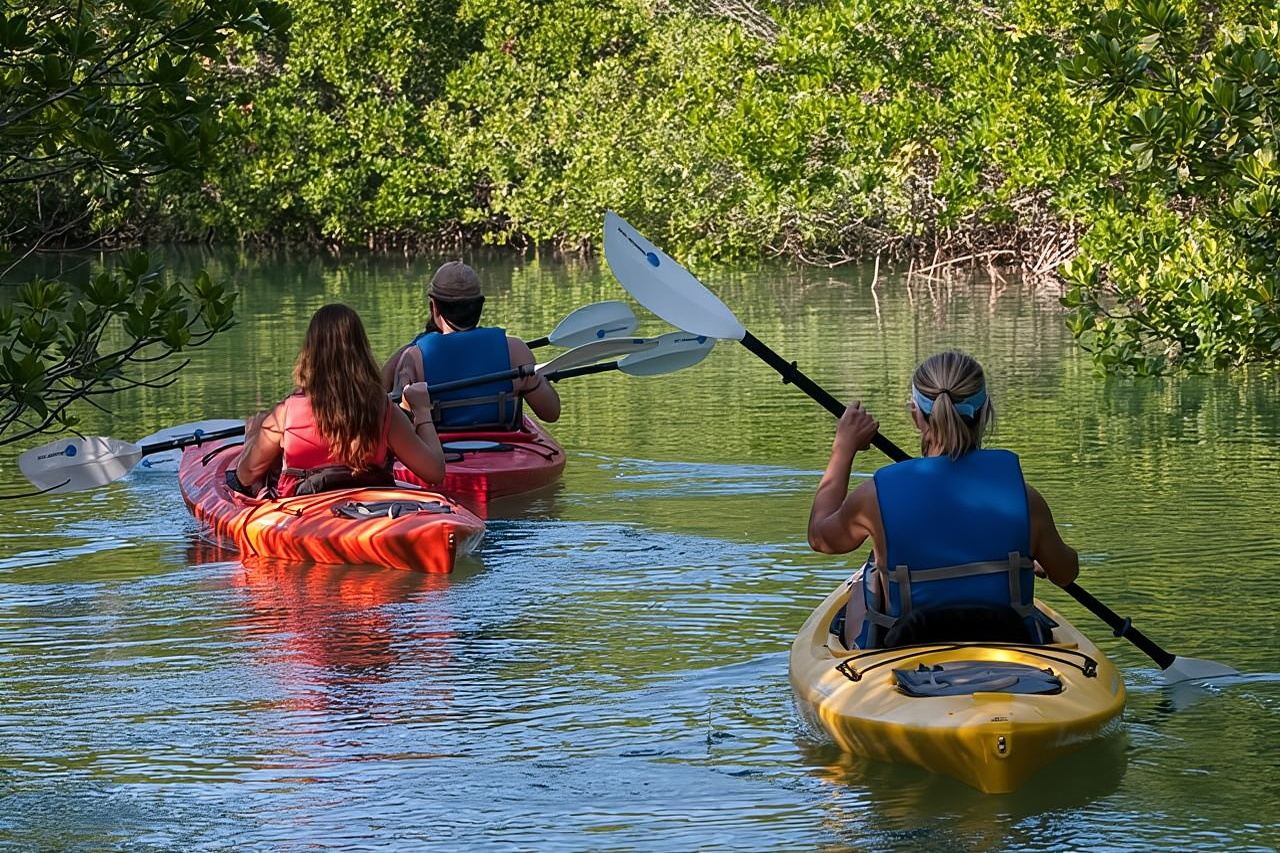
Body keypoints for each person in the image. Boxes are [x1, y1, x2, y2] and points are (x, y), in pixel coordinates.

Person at [806, 350, 1079, 649]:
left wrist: (843, 448)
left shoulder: (875, 497)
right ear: (985, 411)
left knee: (867, 578)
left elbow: (821, 538)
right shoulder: (1025, 499)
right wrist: (1033, 550)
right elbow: (1065, 573)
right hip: (1009, 642)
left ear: (915, 414)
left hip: (905, 647)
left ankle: (861, 656)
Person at [232, 303, 446, 498]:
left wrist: (252, 435)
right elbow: (434, 473)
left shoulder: (285, 414)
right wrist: (422, 411)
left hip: (303, 516)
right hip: (373, 514)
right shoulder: (383, 409)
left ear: (310, 353)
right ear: (362, 351)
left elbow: (245, 476)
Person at [382, 261, 561, 431]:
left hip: (440, 455)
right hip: (504, 448)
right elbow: (551, 413)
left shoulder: (414, 357)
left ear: (434, 307)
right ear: (480, 305)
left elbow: (395, 417)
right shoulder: (516, 350)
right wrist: (535, 379)